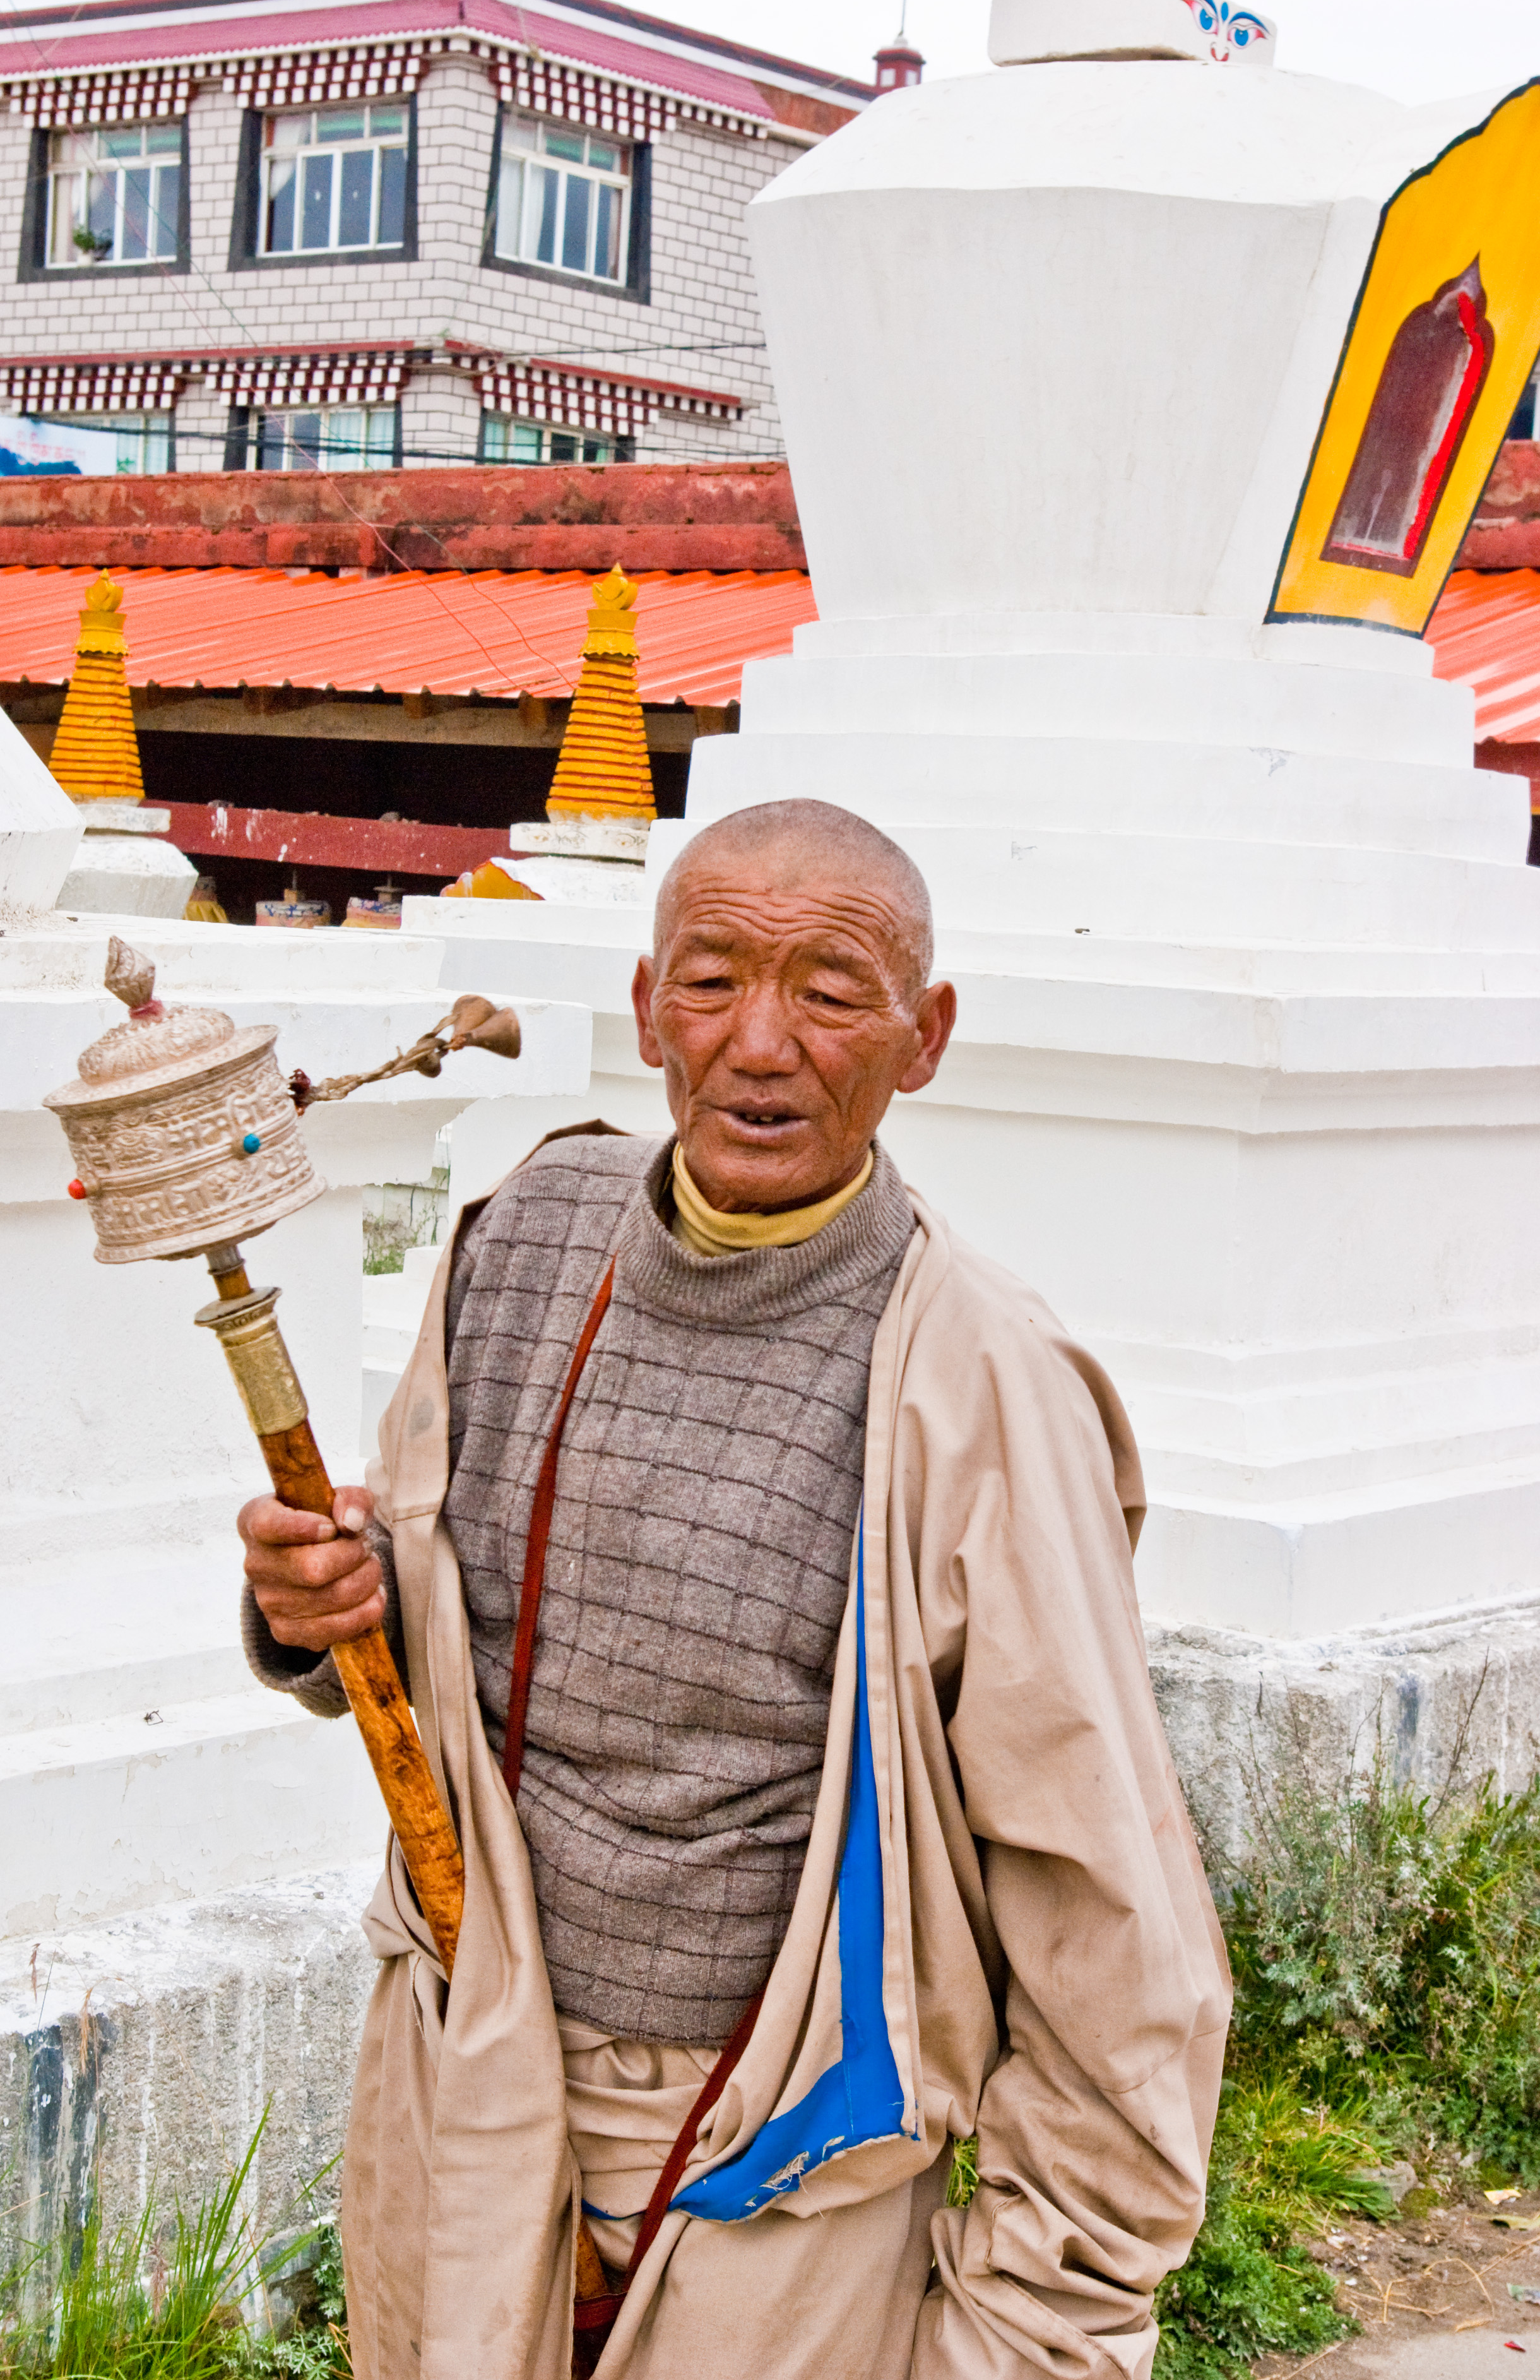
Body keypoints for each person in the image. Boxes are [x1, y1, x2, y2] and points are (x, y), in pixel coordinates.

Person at [239, 799, 1229, 2380]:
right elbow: (429, 1609)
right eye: (711, 982)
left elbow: (1112, 1910)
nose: (760, 1043)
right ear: (646, 1009)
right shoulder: (523, 1242)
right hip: (461, 2078)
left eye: (832, 992)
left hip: (770, 2152)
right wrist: (318, 1607)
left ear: (926, 1038)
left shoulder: (977, 1379)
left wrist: (1047, 2319)